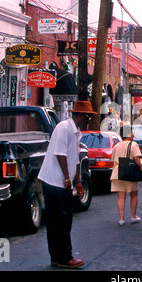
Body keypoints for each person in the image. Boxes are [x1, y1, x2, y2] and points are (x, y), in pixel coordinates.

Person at [37, 101, 96, 269]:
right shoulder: (64, 128)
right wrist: (66, 177)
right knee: (60, 221)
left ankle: (57, 256)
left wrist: (77, 181)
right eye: (88, 117)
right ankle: (64, 257)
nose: (88, 121)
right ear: (80, 116)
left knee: (62, 220)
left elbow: (74, 159)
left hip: (62, 182)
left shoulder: (75, 132)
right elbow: (60, 154)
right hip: (54, 181)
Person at [110, 125, 142, 226]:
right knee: (134, 194)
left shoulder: (116, 146)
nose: (133, 134)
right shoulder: (133, 145)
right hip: (130, 172)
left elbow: (113, 160)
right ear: (128, 134)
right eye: (132, 132)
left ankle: (121, 219)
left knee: (121, 196)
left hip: (117, 172)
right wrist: (141, 168)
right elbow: (137, 158)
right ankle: (133, 216)